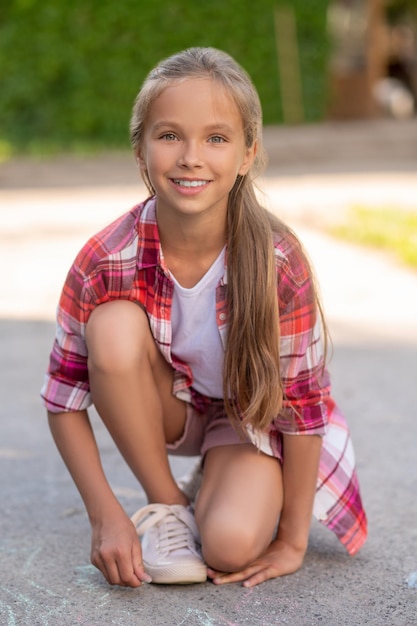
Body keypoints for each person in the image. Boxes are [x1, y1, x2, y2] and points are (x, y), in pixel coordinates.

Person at [41, 47, 367, 589]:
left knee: (229, 547)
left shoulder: (278, 261)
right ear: (140, 152)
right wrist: (106, 516)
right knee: (114, 327)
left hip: (252, 418)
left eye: (216, 138)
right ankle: (167, 502)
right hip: (168, 407)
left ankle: (226, 481)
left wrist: (291, 540)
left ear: (247, 154)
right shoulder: (105, 259)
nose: (192, 157)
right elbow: (64, 398)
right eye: (169, 136)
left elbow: (303, 407)